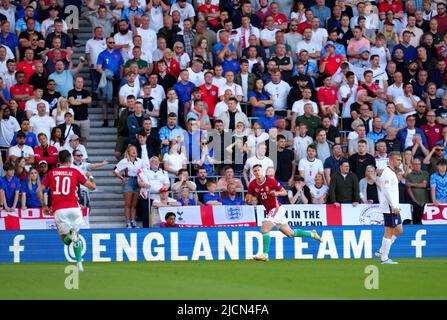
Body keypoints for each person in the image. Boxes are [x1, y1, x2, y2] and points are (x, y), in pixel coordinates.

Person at [245, 164, 323, 262]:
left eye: (258, 170)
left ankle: (264, 254)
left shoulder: (271, 181)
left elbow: (284, 192)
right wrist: (248, 199)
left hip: (277, 208)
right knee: (290, 233)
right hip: (271, 211)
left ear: (263, 171)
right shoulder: (252, 184)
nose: (257, 172)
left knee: (264, 228)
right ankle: (312, 234)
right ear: (253, 173)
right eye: (255, 171)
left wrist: (276, 193)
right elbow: (248, 198)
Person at [36, 150, 96, 272]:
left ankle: (71, 236)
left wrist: (44, 206)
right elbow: (92, 187)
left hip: (60, 210)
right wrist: (91, 177)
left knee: (65, 240)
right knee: (75, 236)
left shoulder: (51, 173)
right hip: (74, 209)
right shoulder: (74, 172)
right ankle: (79, 262)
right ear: (70, 160)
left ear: (59, 160)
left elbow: (38, 191)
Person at [376, 151, 403, 264]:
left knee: (399, 230)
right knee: (389, 231)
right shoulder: (387, 173)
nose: (399, 162)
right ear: (391, 160)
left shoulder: (392, 172)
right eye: (398, 160)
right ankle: (384, 258)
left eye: (400, 160)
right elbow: (386, 191)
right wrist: (393, 206)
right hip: (390, 207)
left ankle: (382, 250)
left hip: (394, 206)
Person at [113, 145, 144, 229]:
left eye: (135, 149)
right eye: (132, 150)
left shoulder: (140, 161)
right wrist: (122, 178)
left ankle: (133, 221)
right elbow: (115, 170)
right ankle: (128, 222)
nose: (134, 151)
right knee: (128, 203)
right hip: (128, 180)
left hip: (137, 181)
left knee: (134, 204)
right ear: (128, 152)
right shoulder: (124, 161)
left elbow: (144, 171)